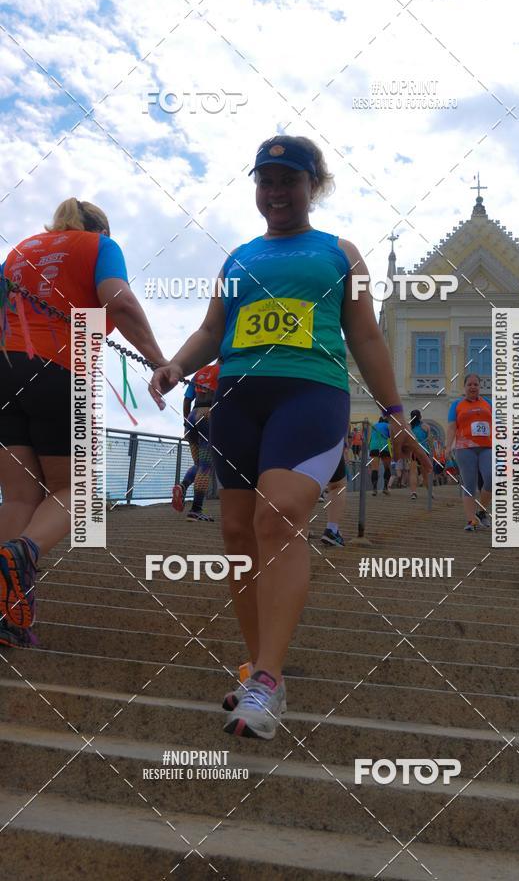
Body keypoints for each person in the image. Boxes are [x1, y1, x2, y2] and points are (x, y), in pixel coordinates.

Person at [149, 135, 431, 740]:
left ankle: (268, 678)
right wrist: (175, 364)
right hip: (238, 399)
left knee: (277, 516)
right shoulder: (239, 257)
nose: (276, 192)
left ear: (313, 185)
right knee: (237, 532)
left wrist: (394, 412)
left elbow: (367, 336)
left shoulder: (338, 252)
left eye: (290, 180)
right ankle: (259, 668)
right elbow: (211, 330)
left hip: (310, 395)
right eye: (266, 181)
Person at [0, 198, 165, 638]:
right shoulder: (98, 246)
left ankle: (5, 610)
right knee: (78, 489)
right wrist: (158, 359)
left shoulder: (19, 251)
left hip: (4, 369)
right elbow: (119, 301)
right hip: (61, 369)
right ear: (101, 229)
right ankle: (24, 551)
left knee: (18, 496)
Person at [172, 359, 220, 521]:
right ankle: (196, 510)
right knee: (206, 466)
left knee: (199, 464)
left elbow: (187, 399)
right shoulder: (225, 371)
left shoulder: (200, 372)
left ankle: (182, 486)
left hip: (192, 416)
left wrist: (186, 422)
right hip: (208, 416)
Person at [446, 374, 493, 531]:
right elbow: (452, 427)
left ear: (480, 387)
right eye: (469, 384)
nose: (473, 387)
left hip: (487, 447)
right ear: (464, 387)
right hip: (465, 448)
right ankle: (471, 520)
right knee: (469, 484)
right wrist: (448, 447)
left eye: (476, 384)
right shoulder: (457, 405)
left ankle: (482, 511)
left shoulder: (489, 403)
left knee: (491, 478)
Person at [408, 409, 431, 500]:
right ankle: (430, 492)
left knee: (413, 472)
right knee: (425, 473)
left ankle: (413, 493)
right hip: (424, 451)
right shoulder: (426, 426)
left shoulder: (409, 426)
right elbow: (429, 439)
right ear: (420, 416)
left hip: (414, 451)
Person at [369, 416, 392, 495]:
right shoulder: (388, 425)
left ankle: (374, 489)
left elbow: (370, 437)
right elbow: (391, 437)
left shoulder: (374, 426)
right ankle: (385, 488)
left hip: (374, 446)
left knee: (374, 469)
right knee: (387, 468)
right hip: (385, 447)